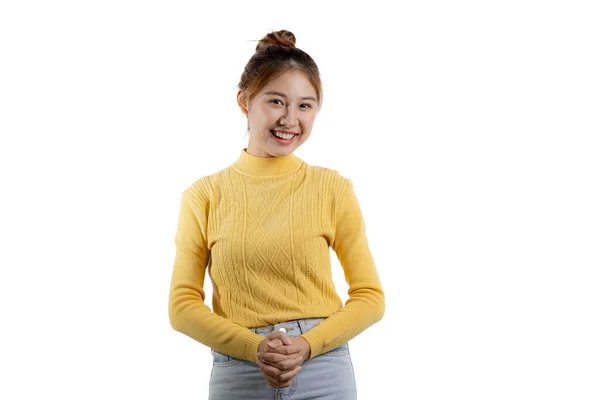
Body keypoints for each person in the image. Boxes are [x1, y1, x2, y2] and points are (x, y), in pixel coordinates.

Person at [168, 29, 385, 399]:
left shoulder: (332, 189)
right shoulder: (203, 195)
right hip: (239, 370)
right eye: (276, 101)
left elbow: (369, 296)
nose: (289, 119)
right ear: (244, 101)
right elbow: (182, 304)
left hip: (324, 369)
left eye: (305, 105)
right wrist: (253, 346)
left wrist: (308, 344)